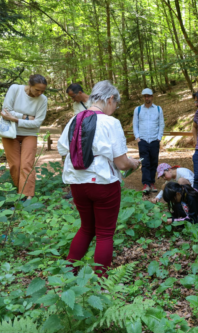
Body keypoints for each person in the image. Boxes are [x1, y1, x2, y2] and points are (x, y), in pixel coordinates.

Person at [58, 80, 140, 277]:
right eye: (116, 104)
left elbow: (63, 151)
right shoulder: (110, 123)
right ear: (110, 99)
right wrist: (133, 163)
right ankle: (101, 282)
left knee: (86, 228)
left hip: (77, 183)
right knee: (104, 233)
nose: (115, 109)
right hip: (103, 183)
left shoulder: (74, 120)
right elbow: (121, 163)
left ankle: (69, 273)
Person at [0, 74, 48, 200]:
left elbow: (37, 123)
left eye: (42, 91)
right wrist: (26, 117)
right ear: (29, 85)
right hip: (10, 132)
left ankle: (28, 197)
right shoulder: (15, 89)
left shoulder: (43, 100)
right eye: (37, 89)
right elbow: (6, 110)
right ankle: (20, 192)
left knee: (26, 164)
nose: (39, 93)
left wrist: (15, 119)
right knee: (15, 164)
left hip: (30, 133)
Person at [133, 88, 164, 193]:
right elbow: (135, 125)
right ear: (143, 97)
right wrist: (138, 138)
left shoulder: (158, 109)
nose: (147, 98)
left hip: (154, 140)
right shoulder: (138, 110)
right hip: (143, 140)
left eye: (149, 96)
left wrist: (159, 138)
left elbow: (161, 124)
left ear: (152, 96)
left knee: (154, 162)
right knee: (145, 162)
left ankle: (152, 183)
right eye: (145, 96)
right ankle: (146, 183)